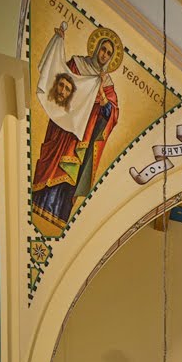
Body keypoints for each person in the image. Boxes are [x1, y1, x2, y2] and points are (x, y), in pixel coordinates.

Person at [32, 21, 123, 234]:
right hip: (62, 128)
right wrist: (58, 42)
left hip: (81, 136)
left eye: (108, 53)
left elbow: (112, 113)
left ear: (110, 58)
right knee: (51, 161)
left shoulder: (106, 82)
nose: (104, 54)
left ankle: (57, 214)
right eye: (103, 49)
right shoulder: (77, 64)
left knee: (70, 172)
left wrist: (102, 99)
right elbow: (59, 76)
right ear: (96, 48)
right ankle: (38, 200)